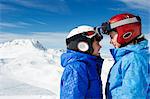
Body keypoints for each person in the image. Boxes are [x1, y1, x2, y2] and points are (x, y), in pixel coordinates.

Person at [100, 13, 149, 98]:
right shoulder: (127, 58)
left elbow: (133, 94)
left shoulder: (133, 59)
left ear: (125, 33)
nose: (110, 42)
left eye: (112, 37)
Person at [60, 25, 104, 99]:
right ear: (83, 45)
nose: (100, 46)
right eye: (97, 43)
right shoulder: (76, 68)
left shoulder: (88, 65)